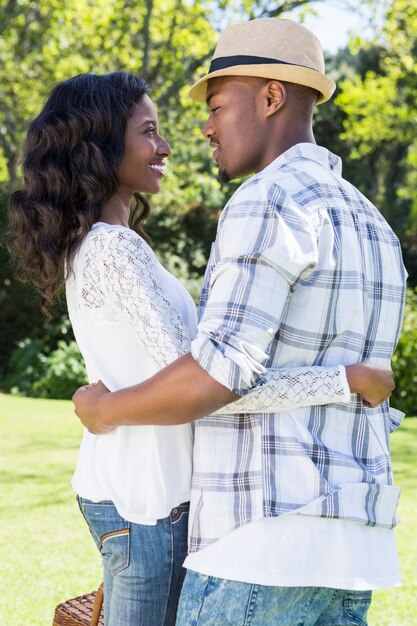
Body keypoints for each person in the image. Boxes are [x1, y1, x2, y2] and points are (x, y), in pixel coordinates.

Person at [7, 71, 392, 626]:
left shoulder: (118, 246)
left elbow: (204, 378)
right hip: (147, 506)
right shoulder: (112, 250)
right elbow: (210, 384)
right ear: (100, 143)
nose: (165, 146)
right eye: (149, 131)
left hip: (154, 502)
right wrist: (344, 380)